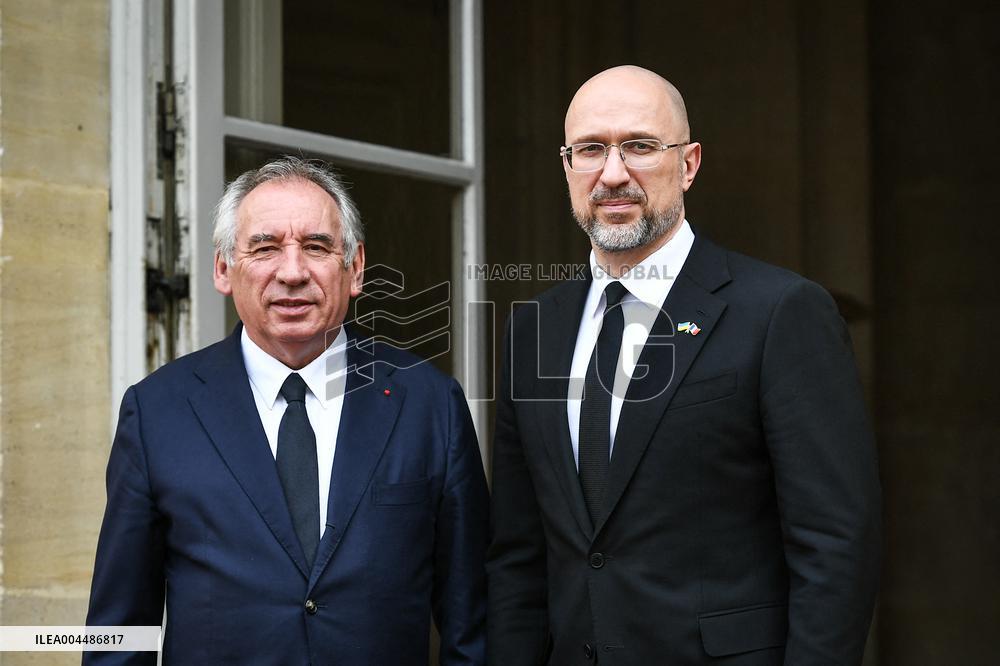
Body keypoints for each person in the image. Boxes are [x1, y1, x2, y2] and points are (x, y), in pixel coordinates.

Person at [487, 66, 881, 665]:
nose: (612, 174)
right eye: (590, 150)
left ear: (689, 163)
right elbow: (518, 556)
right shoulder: (534, 329)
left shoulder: (780, 312)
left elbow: (836, 544)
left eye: (640, 146)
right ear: (566, 166)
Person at [85, 157, 488, 665]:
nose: (292, 273)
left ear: (356, 268)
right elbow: (119, 635)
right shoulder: (157, 413)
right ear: (223, 269)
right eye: (264, 247)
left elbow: (473, 627)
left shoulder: (430, 405)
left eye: (316, 247)